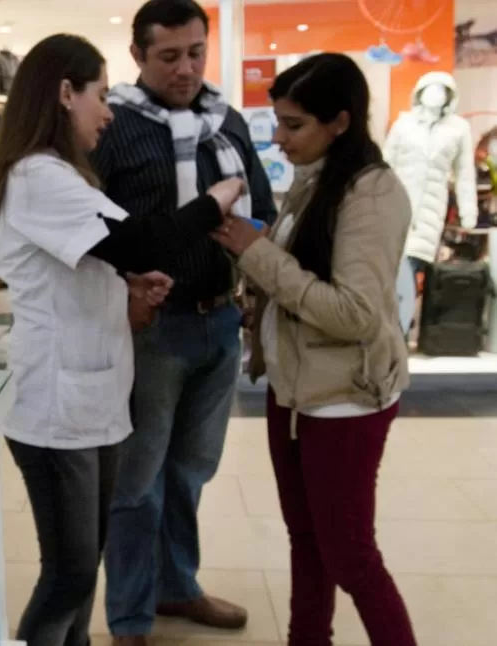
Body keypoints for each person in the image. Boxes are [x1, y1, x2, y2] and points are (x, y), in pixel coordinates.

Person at [0, 33, 244, 646]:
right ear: (66, 93)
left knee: (81, 567)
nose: (108, 112)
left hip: (90, 397)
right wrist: (212, 201)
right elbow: (145, 241)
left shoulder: (66, 176)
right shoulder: (38, 175)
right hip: (56, 408)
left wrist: (125, 289)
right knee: (68, 575)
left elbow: (106, 253)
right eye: (100, 96)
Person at [211, 53, 417, 646]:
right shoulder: (316, 181)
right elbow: (306, 287)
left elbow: (353, 314)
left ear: (342, 122)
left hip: (344, 400)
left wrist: (258, 252)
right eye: (277, 121)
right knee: (307, 541)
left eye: (294, 124)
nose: (278, 138)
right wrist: (260, 307)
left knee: (351, 555)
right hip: (296, 392)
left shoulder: (372, 195)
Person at [91, 1, 276, 642]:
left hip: (219, 321)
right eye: (170, 56)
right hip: (151, 326)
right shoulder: (113, 127)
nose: (187, 68)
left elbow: (261, 211)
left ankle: (177, 587)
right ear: (138, 55)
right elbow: (92, 234)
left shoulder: (228, 122)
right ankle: (131, 614)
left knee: (192, 470)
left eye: (196, 52)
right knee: (138, 478)